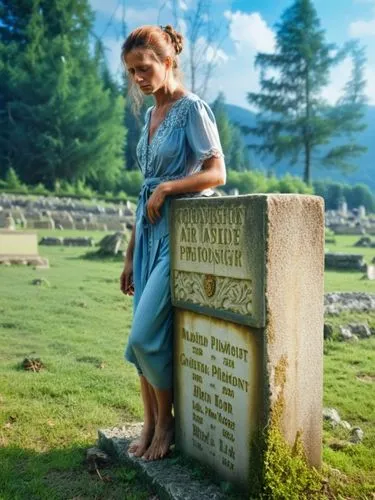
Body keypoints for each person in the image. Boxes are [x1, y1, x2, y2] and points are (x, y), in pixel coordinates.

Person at [120, 24, 226, 461]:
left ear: (167, 63)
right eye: (131, 72)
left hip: (177, 237)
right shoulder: (148, 116)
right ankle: (147, 426)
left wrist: (169, 189)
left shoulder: (192, 109)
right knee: (139, 339)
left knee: (145, 338)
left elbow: (217, 172)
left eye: (144, 69)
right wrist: (128, 254)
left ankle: (168, 423)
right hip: (146, 239)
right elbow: (145, 189)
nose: (139, 79)